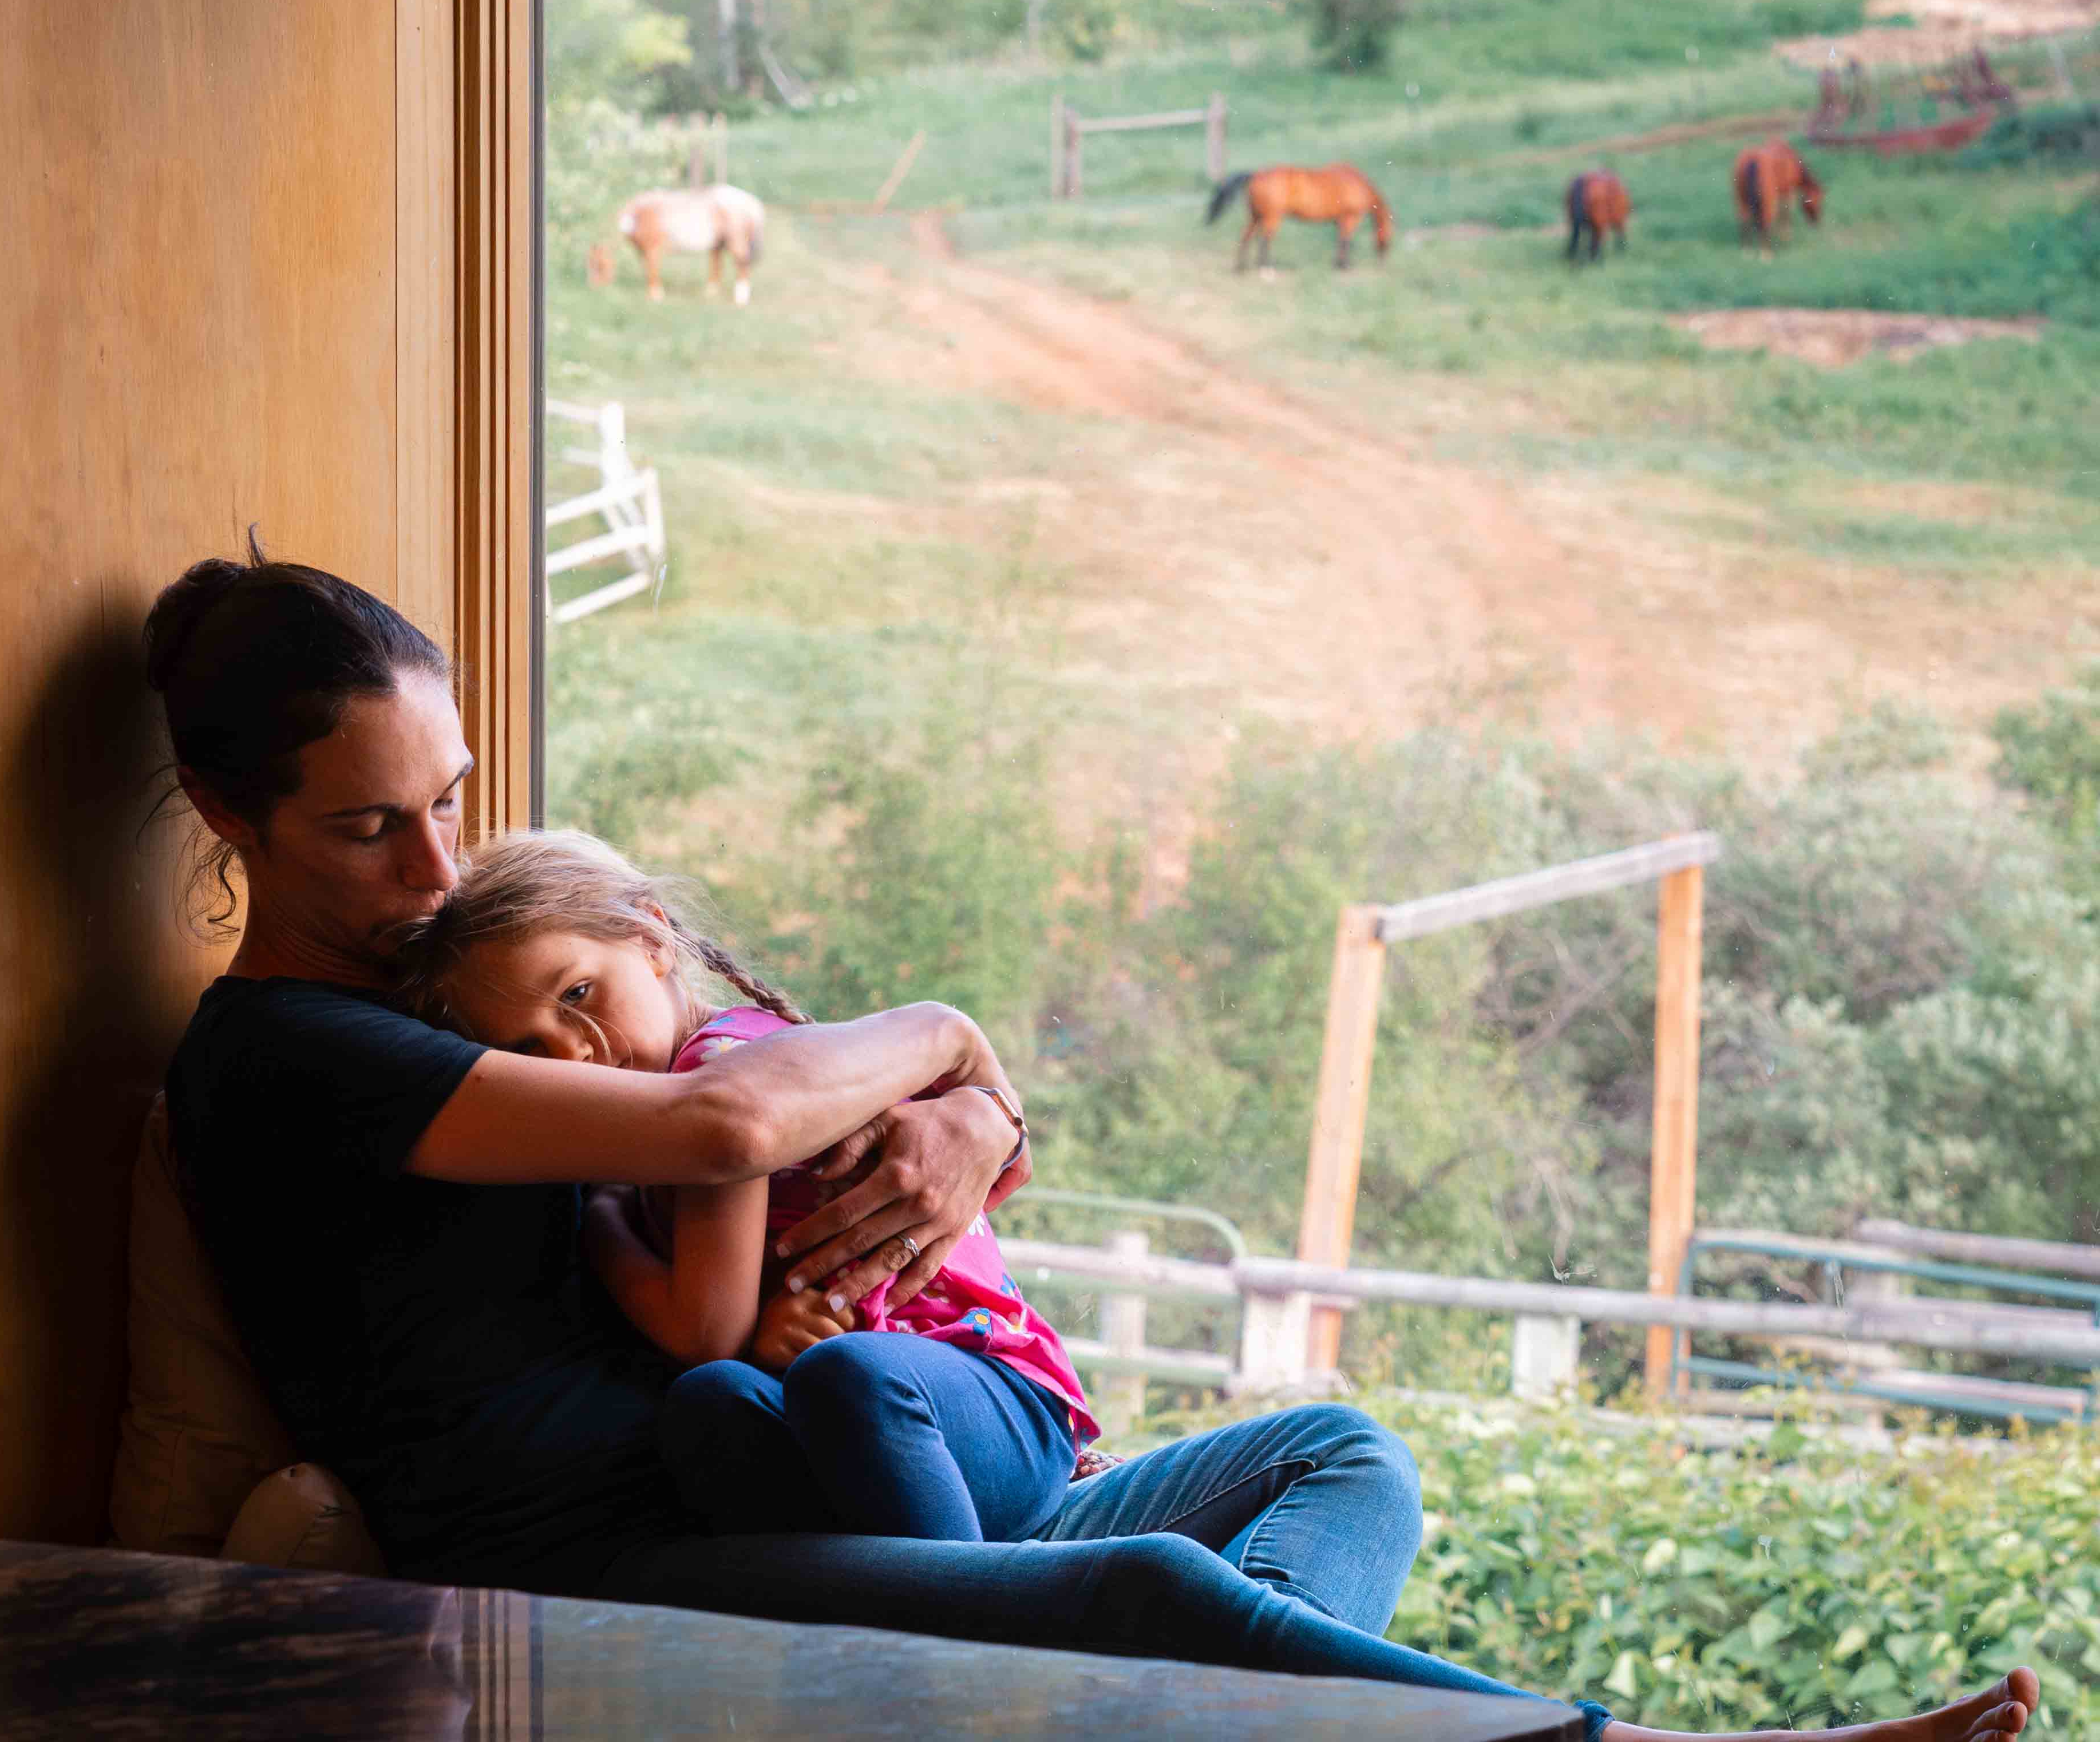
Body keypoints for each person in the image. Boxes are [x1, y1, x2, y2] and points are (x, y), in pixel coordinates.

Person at [153, 544, 2039, 1742]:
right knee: (1148, 1598)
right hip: (597, 1563)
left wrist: (976, 1119)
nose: (434, 864)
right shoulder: (283, 1052)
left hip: (764, 1469)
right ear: (230, 812)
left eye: (451, 802)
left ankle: (1210, 1713)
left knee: (1326, 1444)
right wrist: (957, 1034)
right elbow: (730, 1109)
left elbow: (728, 1068)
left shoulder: (455, 981)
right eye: (364, 828)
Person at [398, 829, 1102, 1545]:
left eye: (579, 993)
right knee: (712, 1403)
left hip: (999, 1408)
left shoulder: (722, 1074)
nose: (572, 1050)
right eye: (526, 1049)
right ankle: (857, 1599)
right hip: (869, 1434)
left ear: (653, 937)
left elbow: (705, 1330)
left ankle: (970, 1622)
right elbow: (725, 1355)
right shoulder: (681, 1094)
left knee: (847, 1375)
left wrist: (600, 1214)